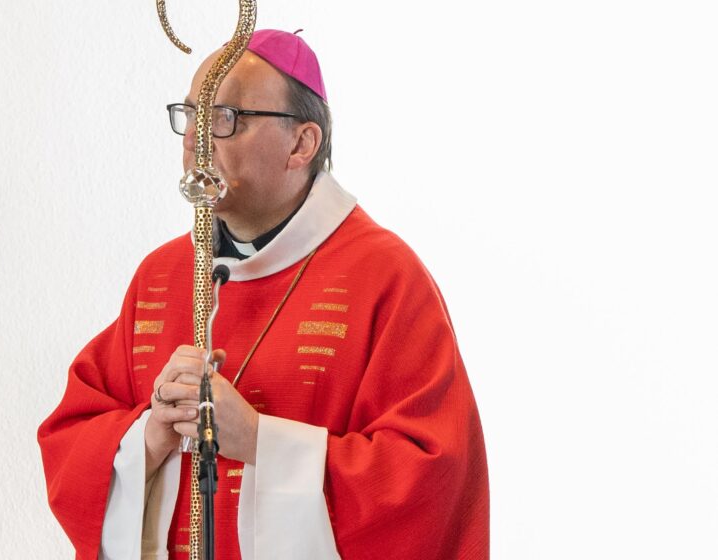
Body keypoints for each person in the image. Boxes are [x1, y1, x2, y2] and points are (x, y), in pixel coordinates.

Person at [38, 29, 489, 560]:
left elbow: (432, 480)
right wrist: (151, 434)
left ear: (302, 144)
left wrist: (257, 440)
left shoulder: (384, 277)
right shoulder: (162, 274)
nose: (195, 140)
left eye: (225, 117)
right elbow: (72, 441)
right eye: (191, 115)